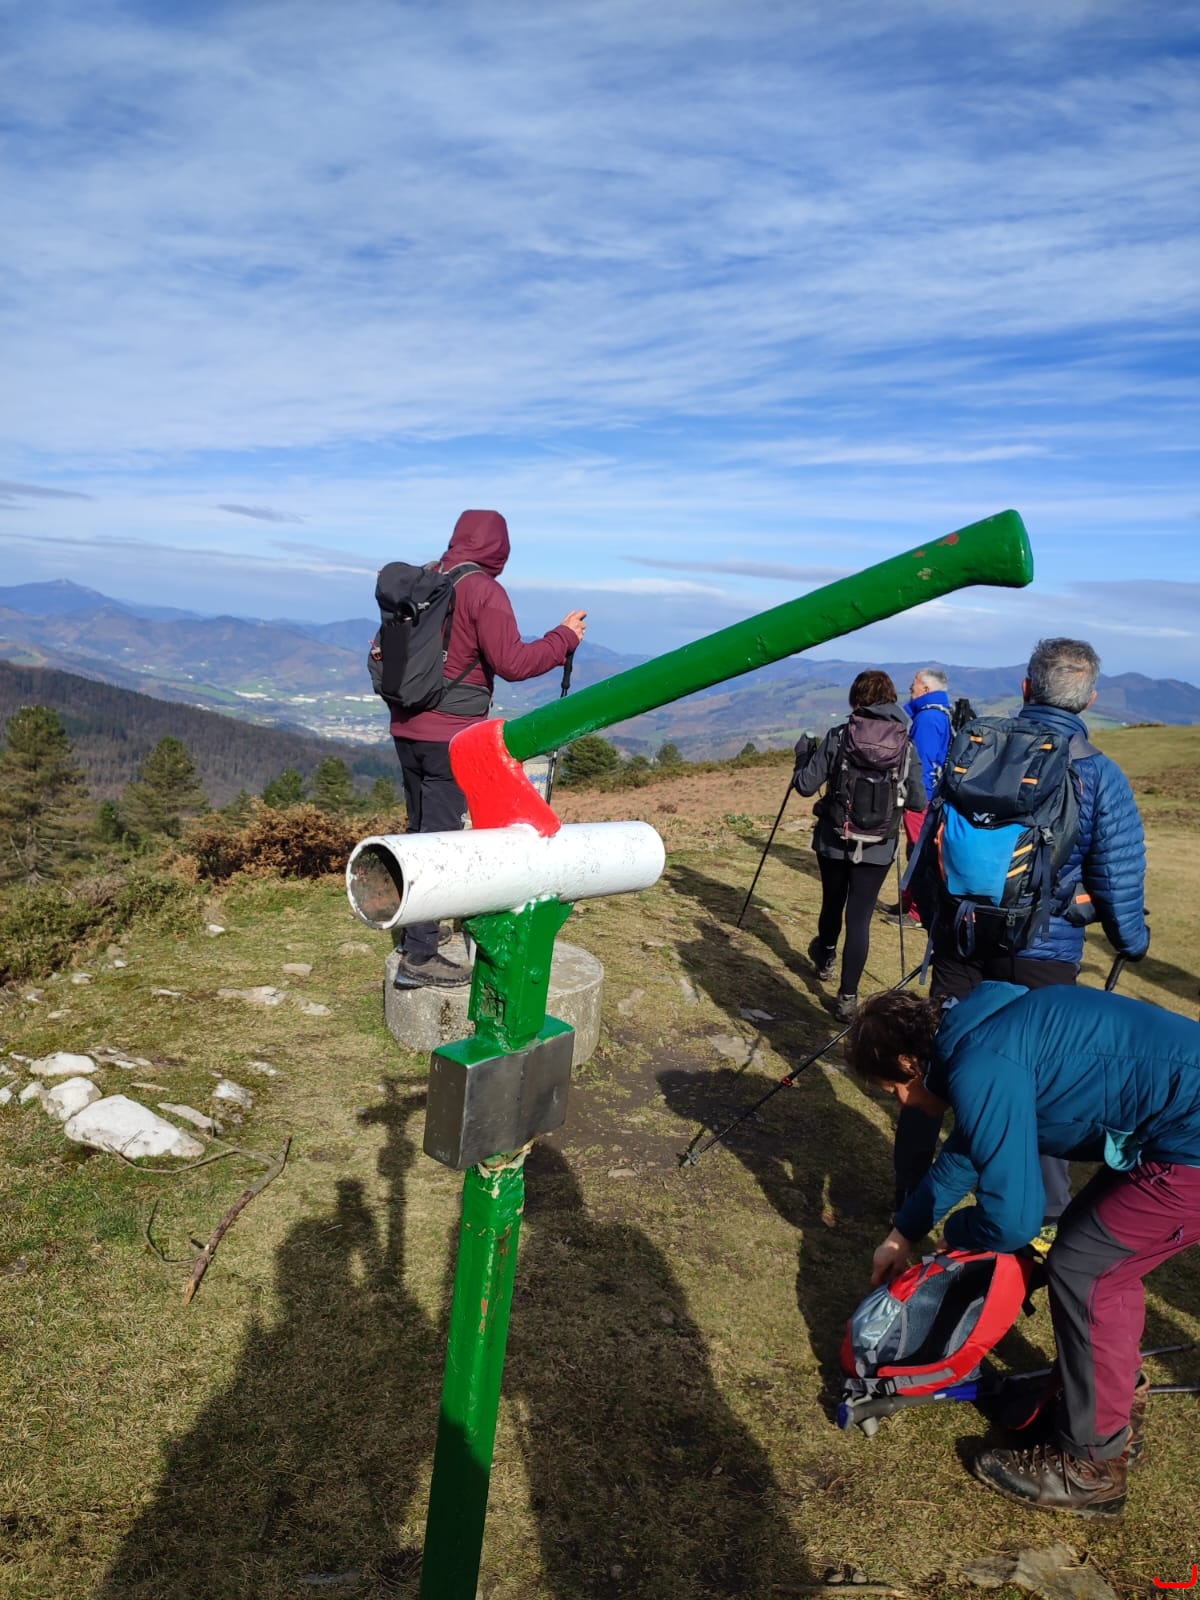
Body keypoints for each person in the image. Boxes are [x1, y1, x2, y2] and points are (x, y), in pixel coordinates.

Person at [847, 983, 1200, 1518]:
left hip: (1190, 1143)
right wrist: (903, 1233)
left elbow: (1015, 1220)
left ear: (907, 1062)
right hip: (1175, 1130)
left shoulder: (983, 1063)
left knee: (1087, 1269)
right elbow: (969, 1148)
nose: (900, 1100)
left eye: (892, 1087)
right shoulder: (979, 1032)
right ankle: (1114, 1408)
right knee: (1091, 1258)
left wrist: (962, 1228)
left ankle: (1091, 1468)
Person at [898, 638, 1151, 1223]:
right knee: (1038, 1081)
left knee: (933, 1061)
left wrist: (938, 918)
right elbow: (1117, 876)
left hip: (962, 936)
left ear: (1026, 688)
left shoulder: (975, 747)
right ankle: (1040, 1220)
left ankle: (908, 1200)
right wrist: (1132, 942)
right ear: (1090, 699)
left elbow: (931, 845)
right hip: (1045, 950)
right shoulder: (1098, 773)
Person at [386, 509, 586, 986]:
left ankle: (419, 925)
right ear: (500, 548)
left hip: (406, 726)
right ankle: (419, 957)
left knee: (420, 831)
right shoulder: (482, 590)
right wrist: (564, 639)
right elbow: (513, 662)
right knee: (440, 843)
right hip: (450, 735)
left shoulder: (424, 579)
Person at [793, 670, 926, 1022]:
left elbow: (805, 786)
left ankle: (825, 956)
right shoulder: (906, 744)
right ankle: (847, 998)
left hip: (835, 839)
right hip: (879, 846)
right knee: (860, 918)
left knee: (832, 902)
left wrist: (803, 755)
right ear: (891, 699)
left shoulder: (840, 736)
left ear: (856, 698)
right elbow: (917, 801)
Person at [886, 667, 953, 921]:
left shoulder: (927, 719)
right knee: (916, 849)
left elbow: (921, 764)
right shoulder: (940, 713)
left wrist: (915, 797)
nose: (910, 687)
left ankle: (916, 911)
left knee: (919, 850)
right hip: (929, 796)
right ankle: (908, 901)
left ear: (926, 688)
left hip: (922, 798)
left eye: (914, 683)